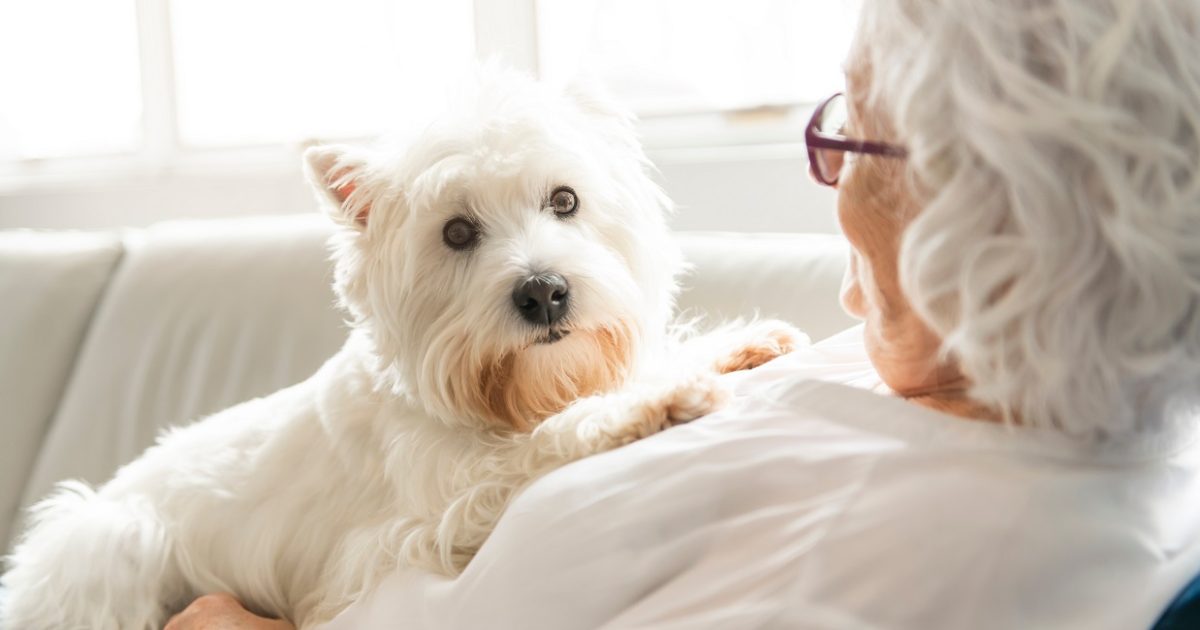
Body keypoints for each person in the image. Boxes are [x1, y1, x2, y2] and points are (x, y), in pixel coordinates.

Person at [167, 0, 1200, 627]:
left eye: (854, 130)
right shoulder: (1006, 386)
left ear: (979, 212)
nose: (830, 177)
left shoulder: (866, 564)